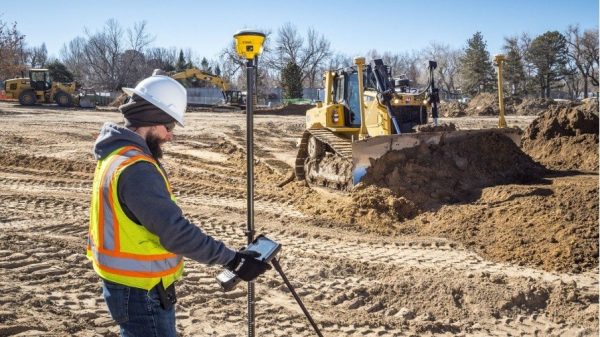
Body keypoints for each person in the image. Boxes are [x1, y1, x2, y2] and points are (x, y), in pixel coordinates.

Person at [87, 74, 270, 337]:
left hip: (127, 284)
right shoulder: (137, 169)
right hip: (140, 291)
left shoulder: (116, 155)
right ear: (149, 120)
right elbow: (175, 232)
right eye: (169, 125)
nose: (170, 136)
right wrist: (233, 260)